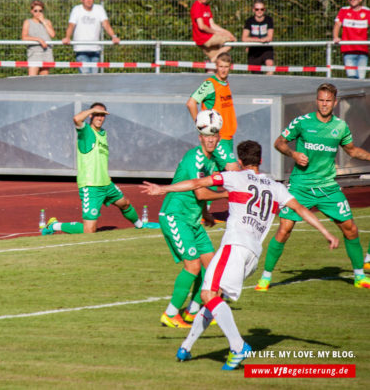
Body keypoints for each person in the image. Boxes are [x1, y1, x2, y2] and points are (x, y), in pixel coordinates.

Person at [143, 140, 339, 370]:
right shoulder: (275, 186)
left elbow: (197, 183)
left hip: (234, 246)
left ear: (239, 162)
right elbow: (302, 209)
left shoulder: (235, 177)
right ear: (261, 160)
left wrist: (163, 189)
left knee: (207, 294)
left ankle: (237, 346)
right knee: (214, 299)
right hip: (253, 255)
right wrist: (326, 232)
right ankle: (186, 347)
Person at [255, 83, 370, 292]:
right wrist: (293, 154)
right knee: (285, 229)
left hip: (328, 187)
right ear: (316, 100)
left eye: (328, 101)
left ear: (335, 103)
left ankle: (359, 276)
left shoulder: (340, 127)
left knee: (350, 229)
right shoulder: (302, 122)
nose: (324, 104)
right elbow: (279, 142)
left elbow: (352, 151)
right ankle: (265, 277)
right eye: (321, 100)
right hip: (300, 186)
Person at [140, 111, 228, 329]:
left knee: (212, 265)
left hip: (193, 220)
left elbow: (201, 195)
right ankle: (170, 314)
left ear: (218, 138)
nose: (210, 139)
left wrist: (206, 214)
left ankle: (193, 311)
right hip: (175, 216)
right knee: (193, 265)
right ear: (200, 138)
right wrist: (228, 194)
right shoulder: (196, 158)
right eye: (206, 136)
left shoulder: (213, 161)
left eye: (214, 136)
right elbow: (200, 193)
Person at [41, 103, 145, 235]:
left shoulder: (103, 133)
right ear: (91, 115)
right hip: (91, 186)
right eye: (97, 114)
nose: (100, 118)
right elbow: (76, 119)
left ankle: (141, 226)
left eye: (102, 115)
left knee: (124, 203)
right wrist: (92, 109)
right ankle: (54, 226)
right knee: (89, 231)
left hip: (106, 183)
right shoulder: (86, 132)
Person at [186, 52, 239, 171]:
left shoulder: (225, 83)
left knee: (215, 175)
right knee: (235, 172)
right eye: (221, 67)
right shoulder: (210, 84)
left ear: (230, 67)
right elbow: (191, 103)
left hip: (228, 137)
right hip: (218, 138)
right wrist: (201, 125)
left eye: (226, 67)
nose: (223, 70)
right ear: (216, 66)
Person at [62, 0, 120, 74]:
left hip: (95, 49)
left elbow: (106, 25)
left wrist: (114, 36)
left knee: (94, 76)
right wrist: (67, 37)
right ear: (81, 0)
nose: (89, 1)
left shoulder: (99, 9)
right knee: (85, 76)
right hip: (81, 49)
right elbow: (71, 25)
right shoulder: (77, 10)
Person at [190, 0, 236, 66]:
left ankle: (211, 64)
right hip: (204, 38)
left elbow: (212, 24)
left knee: (218, 62)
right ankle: (212, 60)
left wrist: (226, 32)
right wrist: (218, 33)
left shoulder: (206, 6)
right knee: (233, 40)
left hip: (208, 36)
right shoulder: (197, 6)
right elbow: (202, 26)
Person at [332, 0, 370, 79]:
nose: (353, 0)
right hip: (348, 50)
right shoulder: (344, 10)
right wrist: (336, 37)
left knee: (361, 79)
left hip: (362, 51)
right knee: (352, 77)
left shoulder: (367, 11)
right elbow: (337, 24)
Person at [22, 0, 55, 76]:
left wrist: (43, 21)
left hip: (46, 52)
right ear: (32, 11)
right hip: (34, 53)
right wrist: (38, 39)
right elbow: (24, 37)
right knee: (32, 79)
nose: (38, 13)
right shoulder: (28, 22)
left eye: (40, 11)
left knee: (44, 80)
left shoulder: (47, 22)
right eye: (35, 11)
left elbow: (52, 34)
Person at [241, 0, 274, 75]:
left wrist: (262, 40)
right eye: (257, 9)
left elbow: (270, 37)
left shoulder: (269, 20)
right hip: (254, 50)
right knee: (256, 74)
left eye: (262, 9)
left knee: (270, 65)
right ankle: (261, 85)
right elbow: (244, 38)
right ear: (253, 10)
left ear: (264, 10)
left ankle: (268, 84)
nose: (259, 11)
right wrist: (259, 40)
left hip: (266, 48)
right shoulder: (249, 21)